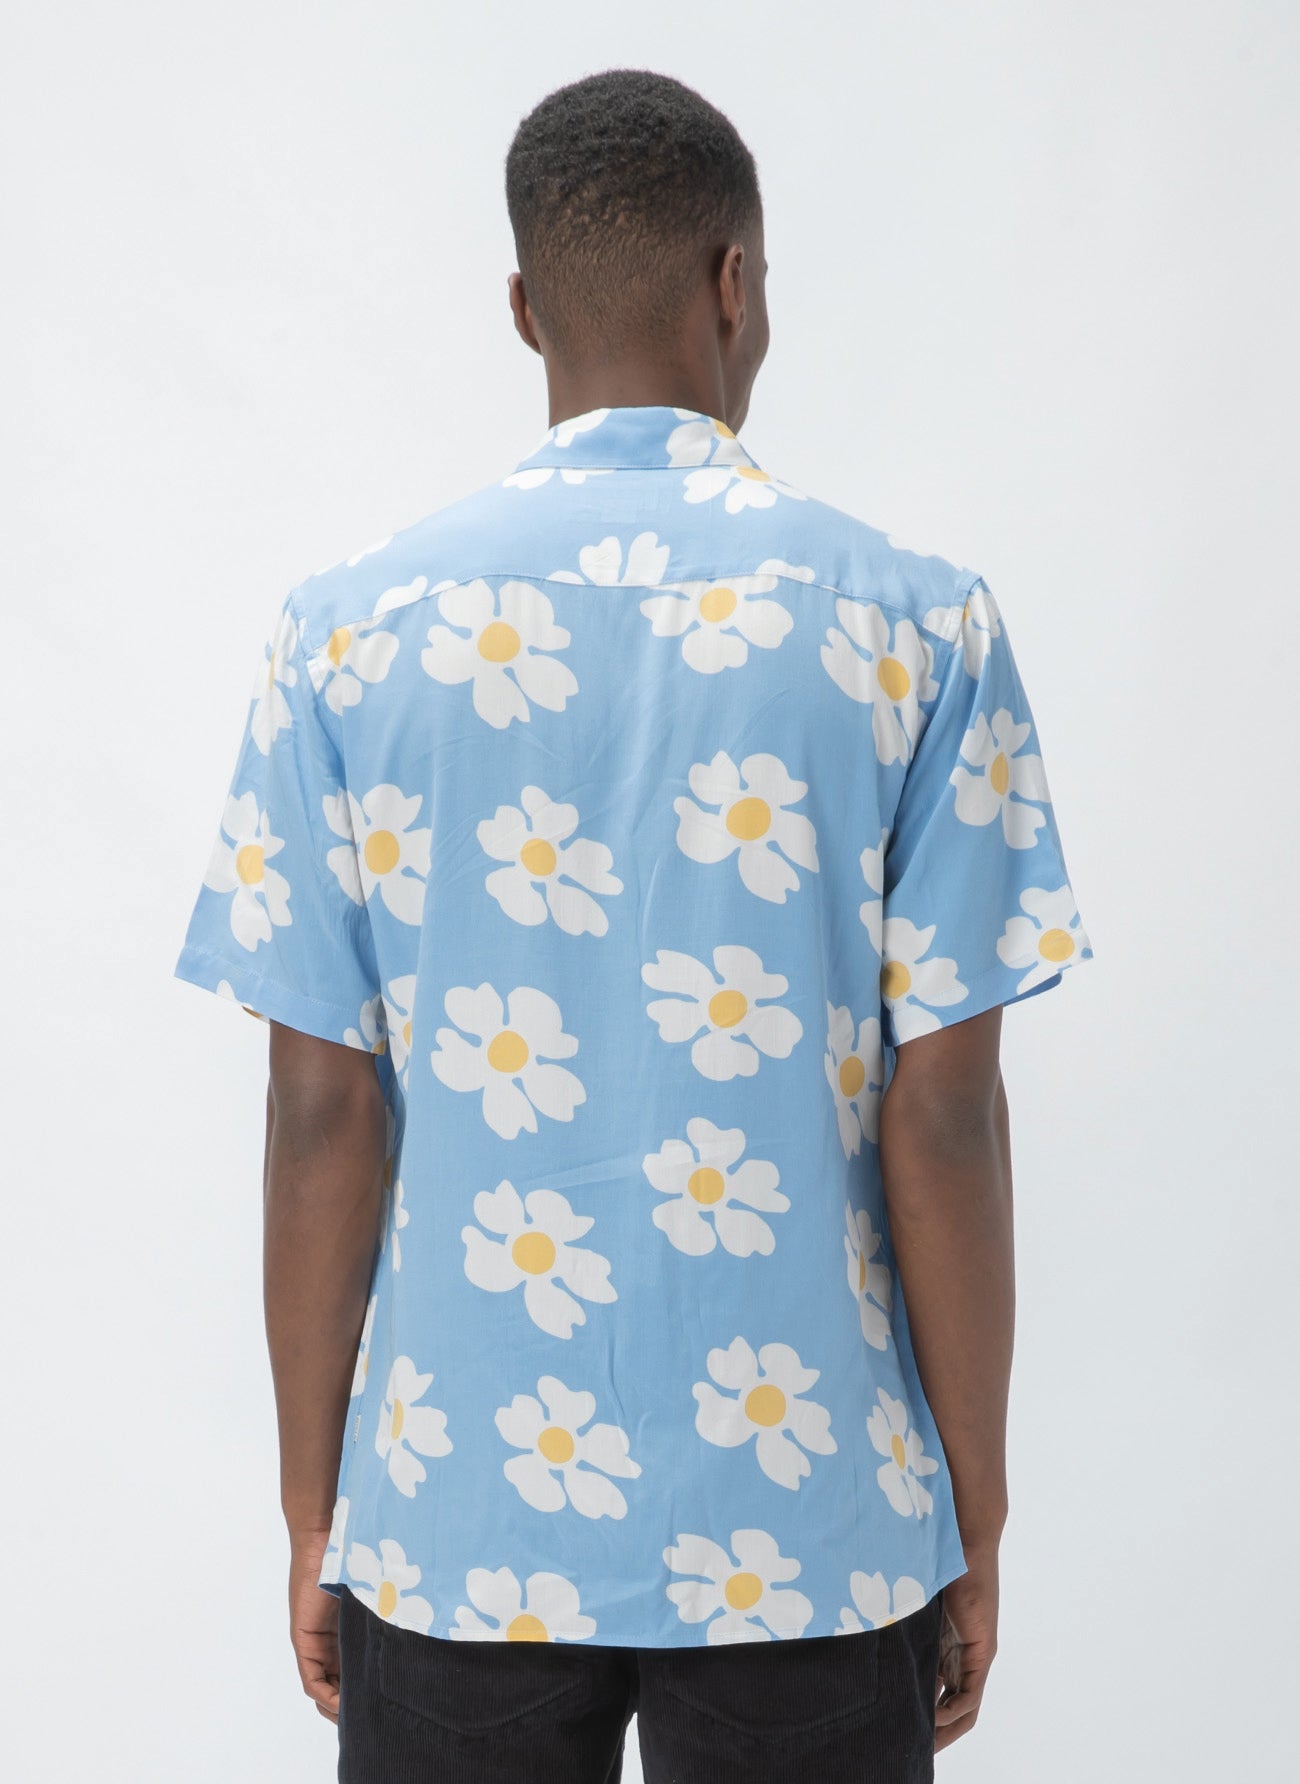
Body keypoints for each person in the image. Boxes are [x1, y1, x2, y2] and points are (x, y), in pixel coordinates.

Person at [173, 65, 1094, 1784]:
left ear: (525, 307)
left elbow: (320, 1106)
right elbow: (947, 1115)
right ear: (737, 283)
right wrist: (972, 1511)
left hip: (457, 1514)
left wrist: (319, 1512)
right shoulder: (915, 627)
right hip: (812, 1524)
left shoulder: (347, 634)